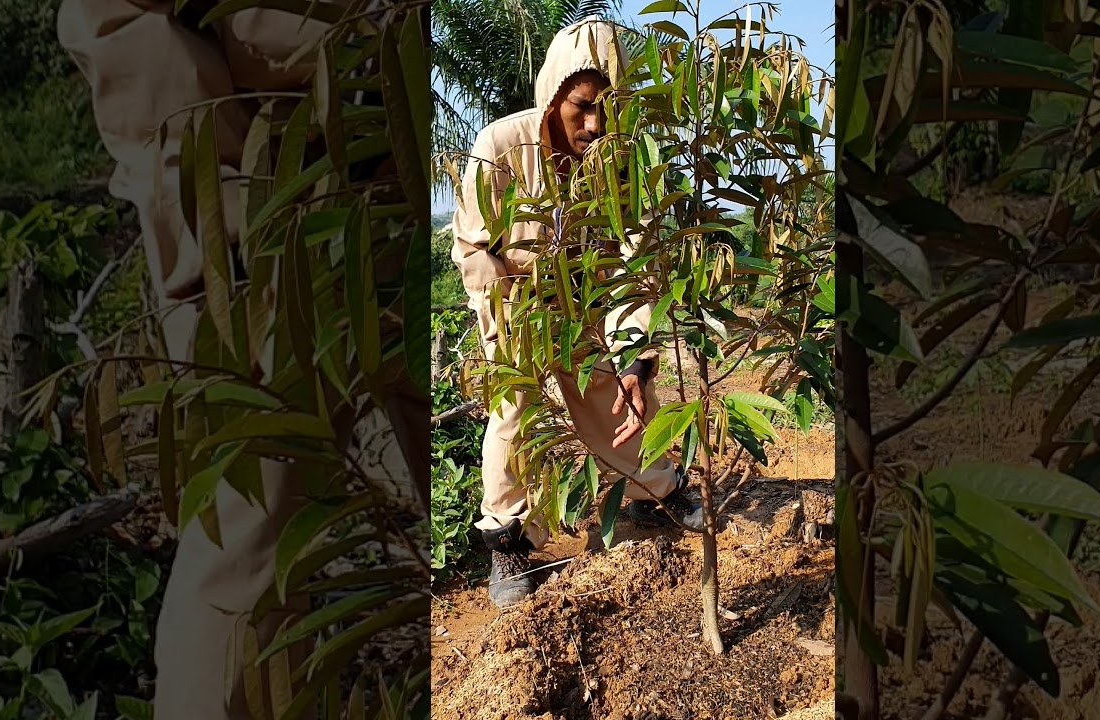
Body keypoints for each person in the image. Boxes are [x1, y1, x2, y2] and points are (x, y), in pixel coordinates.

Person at [56, 2, 428, 719]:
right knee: (251, 537)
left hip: (399, 174)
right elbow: (123, 29)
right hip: (272, 217)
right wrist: (224, 234)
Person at [450, 16, 704, 609]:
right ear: (553, 95)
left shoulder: (625, 163)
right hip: (515, 307)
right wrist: (508, 331)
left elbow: (635, 261)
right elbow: (473, 248)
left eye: (608, 109)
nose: (594, 124)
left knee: (618, 403)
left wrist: (636, 359)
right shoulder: (501, 148)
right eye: (582, 106)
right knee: (514, 413)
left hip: (587, 307)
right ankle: (510, 542)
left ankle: (655, 493)